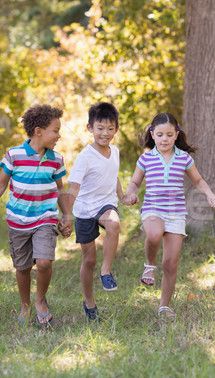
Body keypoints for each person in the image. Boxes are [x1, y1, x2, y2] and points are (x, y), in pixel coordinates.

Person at [0, 104, 71, 327]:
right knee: (23, 267)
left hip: (45, 217)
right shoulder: (14, 154)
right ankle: (25, 305)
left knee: (44, 262)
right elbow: (0, 184)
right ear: (38, 131)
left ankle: (40, 300)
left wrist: (66, 216)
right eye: (55, 130)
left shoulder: (56, 159)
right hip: (18, 220)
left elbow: (61, 190)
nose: (58, 135)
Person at [124, 113, 215, 318]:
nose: (164, 139)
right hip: (152, 208)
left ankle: (164, 306)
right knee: (154, 234)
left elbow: (198, 181)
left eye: (169, 134)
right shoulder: (146, 158)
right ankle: (149, 265)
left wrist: (210, 194)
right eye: (160, 135)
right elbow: (135, 182)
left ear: (177, 135)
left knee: (170, 264)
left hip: (176, 214)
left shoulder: (184, 158)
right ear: (152, 134)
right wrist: (131, 192)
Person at [61, 102, 133, 321]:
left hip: (105, 204)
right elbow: (73, 188)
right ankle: (89, 302)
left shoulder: (116, 152)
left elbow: (114, 177)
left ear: (116, 129)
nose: (105, 133)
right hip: (84, 210)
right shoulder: (85, 157)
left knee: (114, 223)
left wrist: (122, 197)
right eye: (100, 128)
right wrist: (66, 215)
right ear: (89, 128)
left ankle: (106, 271)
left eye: (110, 128)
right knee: (88, 260)